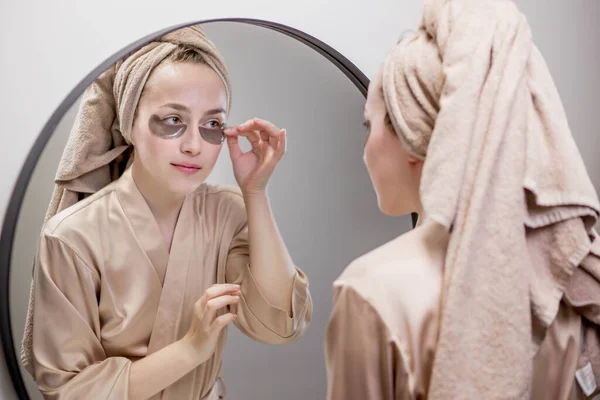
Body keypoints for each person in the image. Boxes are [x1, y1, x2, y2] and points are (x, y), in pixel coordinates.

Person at [324, 1, 600, 399]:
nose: (365, 149)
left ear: (411, 138)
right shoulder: (567, 276)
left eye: (371, 124)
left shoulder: (371, 291)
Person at [21, 25, 312, 400]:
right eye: (173, 120)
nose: (194, 145)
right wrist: (191, 348)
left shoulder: (228, 212)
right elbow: (70, 391)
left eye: (212, 125)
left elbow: (280, 326)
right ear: (130, 123)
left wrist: (255, 192)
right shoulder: (72, 236)